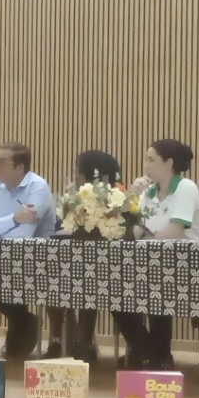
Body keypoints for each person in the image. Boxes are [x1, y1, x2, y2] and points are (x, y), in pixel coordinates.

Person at [113, 139, 199, 370]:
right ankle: (144, 346)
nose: (145, 165)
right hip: (150, 261)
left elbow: (176, 230)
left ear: (169, 163)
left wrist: (146, 239)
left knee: (157, 287)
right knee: (114, 288)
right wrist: (132, 197)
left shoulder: (185, 187)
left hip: (183, 263)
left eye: (151, 160)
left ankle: (158, 353)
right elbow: (132, 228)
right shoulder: (149, 192)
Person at [45, 150, 123, 361]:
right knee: (52, 279)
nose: (74, 176)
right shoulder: (74, 198)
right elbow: (60, 227)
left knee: (90, 281)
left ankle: (85, 341)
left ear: (90, 175)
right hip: (70, 259)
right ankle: (58, 339)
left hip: (106, 267)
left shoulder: (116, 200)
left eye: (77, 171)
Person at [0, 142, 56, 358]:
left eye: (1, 162)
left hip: (40, 259)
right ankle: (23, 320)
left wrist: (1, 228)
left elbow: (24, 235)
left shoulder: (38, 186)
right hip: (4, 257)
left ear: (20, 167)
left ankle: (22, 322)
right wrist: (14, 218)